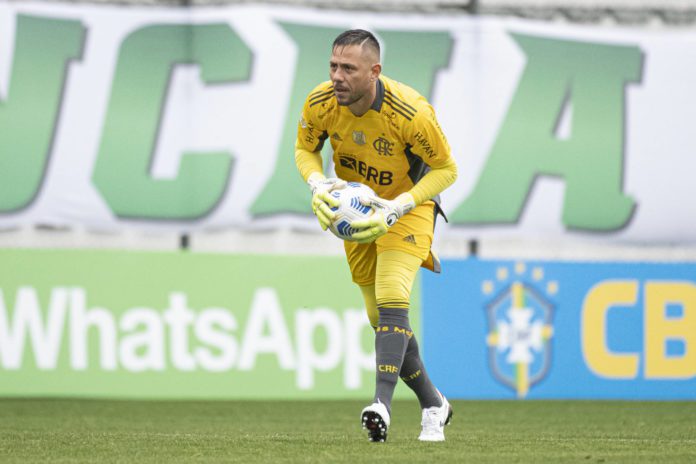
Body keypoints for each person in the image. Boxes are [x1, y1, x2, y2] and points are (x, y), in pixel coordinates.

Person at [294, 29, 458, 442]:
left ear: (374, 71)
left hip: (408, 209)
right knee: (379, 318)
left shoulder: (411, 112)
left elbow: (446, 170)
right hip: (358, 212)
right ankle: (434, 403)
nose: (337, 76)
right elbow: (304, 149)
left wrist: (401, 205)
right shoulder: (321, 102)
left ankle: (380, 404)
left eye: (348, 68)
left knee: (391, 296)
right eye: (333, 66)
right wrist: (317, 183)